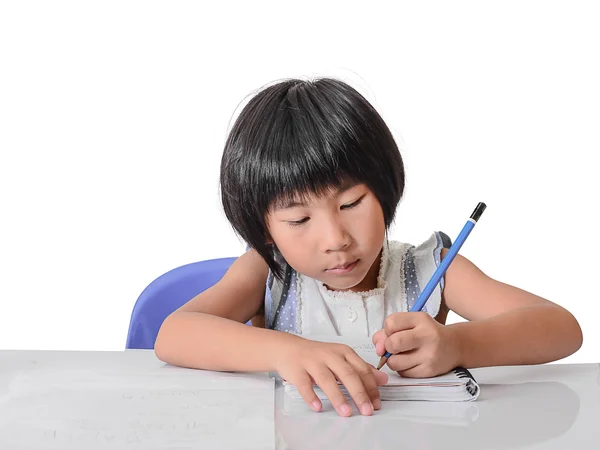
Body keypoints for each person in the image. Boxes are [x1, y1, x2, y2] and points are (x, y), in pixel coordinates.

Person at [154, 77, 583, 417]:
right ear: (265, 230)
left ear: (383, 191)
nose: (336, 238)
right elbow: (174, 334)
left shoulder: (431, 269)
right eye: (299, 220)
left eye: (351, 203)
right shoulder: (267, 270)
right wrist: (286, 351)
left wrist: (458, 344)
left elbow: (562, 328)